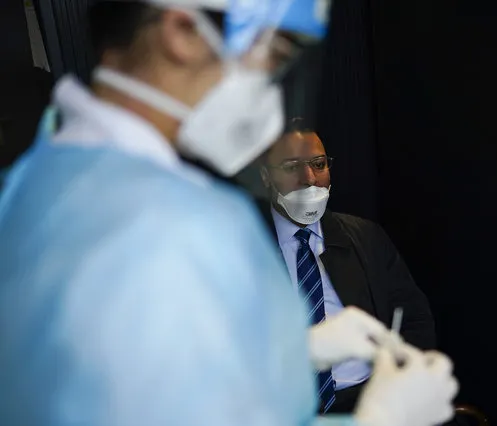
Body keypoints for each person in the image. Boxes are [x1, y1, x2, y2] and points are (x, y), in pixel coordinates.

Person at [0, 1, 458, 426]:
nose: (274, 91)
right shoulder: (172, 223)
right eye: (275, 56)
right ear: (182, 31)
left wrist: (288, 356)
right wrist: (379, 421)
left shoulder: (39, 180)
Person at [257, 118, 438, 414]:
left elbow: (413, 320)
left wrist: (398, 387)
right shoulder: (245, 247)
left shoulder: (364, 238)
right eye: (292, 167)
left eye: (318, 164)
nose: (310, 178)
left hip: (368, 403)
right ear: (265, 176)